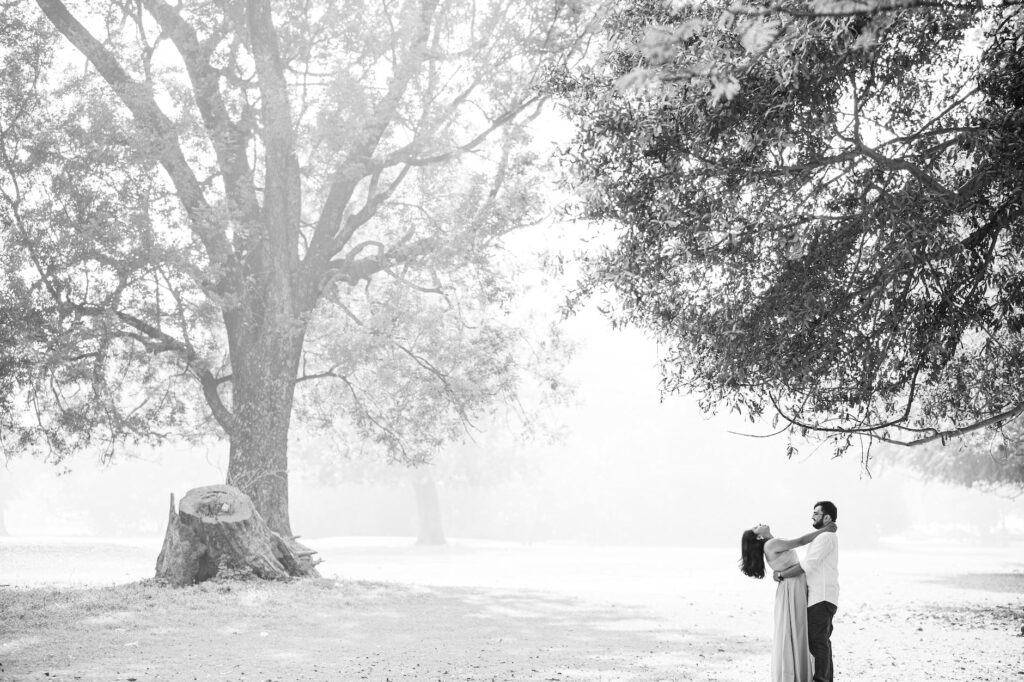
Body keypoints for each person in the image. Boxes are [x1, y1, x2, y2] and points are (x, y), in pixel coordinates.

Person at [740, 518, 837, 682]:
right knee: (795, 629)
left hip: (791, 586)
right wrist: (825, 530)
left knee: (794, 629)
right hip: (792, 587)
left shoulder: (772, 543)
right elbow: (801, 541)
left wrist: (778, 574)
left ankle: (804, 672)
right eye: (756, 527)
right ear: (758, 537)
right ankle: (799, 674)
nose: (759, 523)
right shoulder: (771, 544)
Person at [773, 501, 840, 682]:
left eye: (816, 513)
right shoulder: (823, 537)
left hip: (822, 596)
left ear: (827, 517)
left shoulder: (826, 538)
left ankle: (821, 679)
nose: (812, 516)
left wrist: (782, 575)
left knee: (818, 641)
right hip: (821, 596)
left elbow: (807, 565)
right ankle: (825, 678)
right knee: (821, 641)